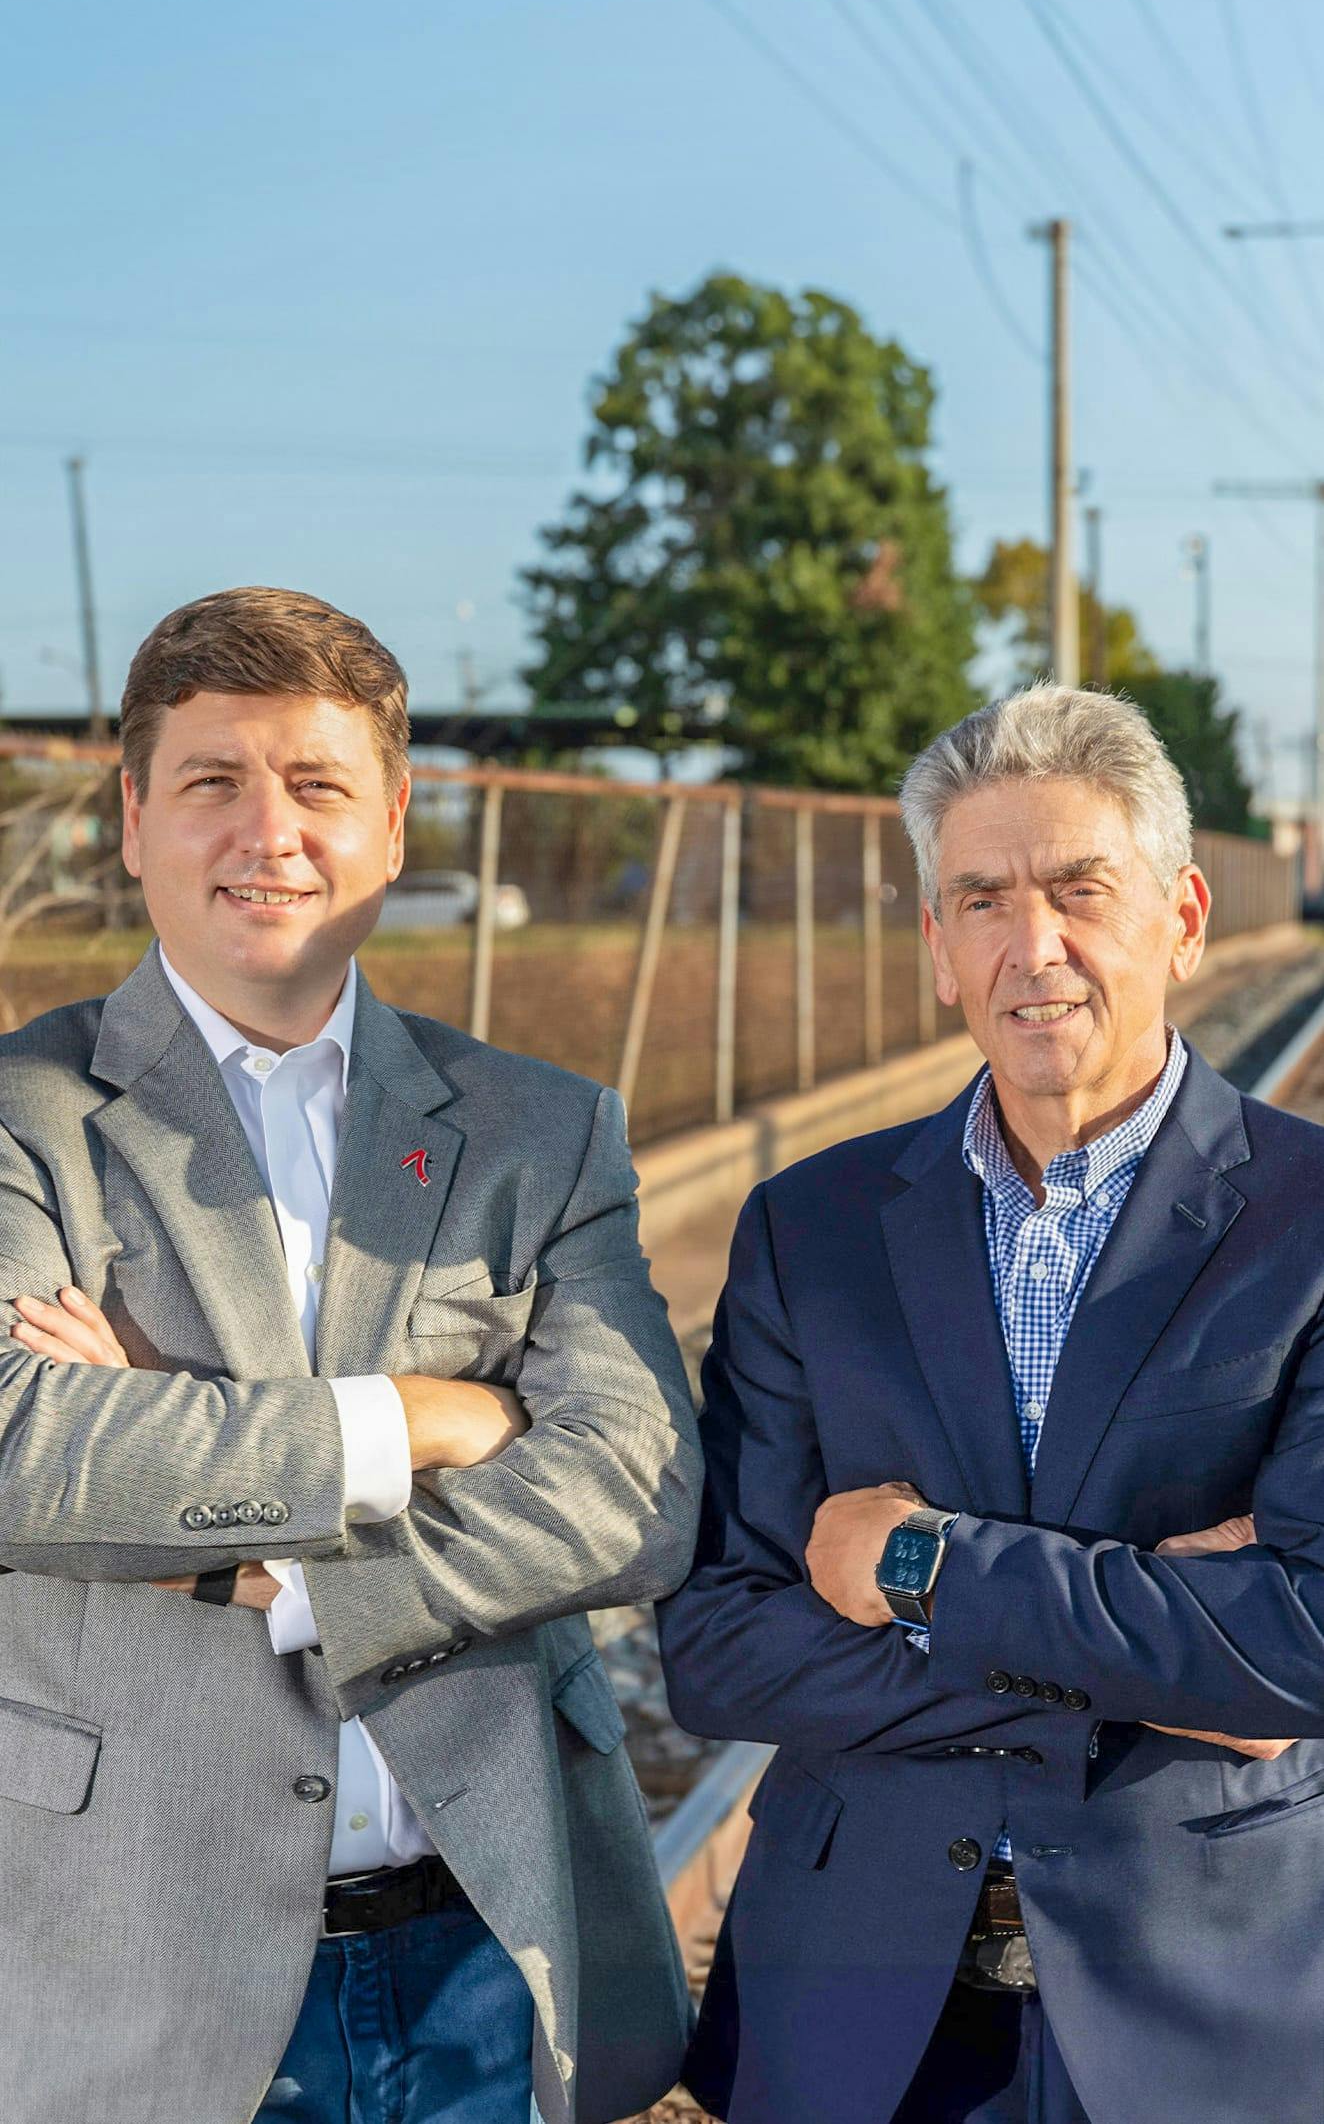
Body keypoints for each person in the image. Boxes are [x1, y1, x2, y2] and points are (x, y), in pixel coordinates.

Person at [0, 587, 702, 2124]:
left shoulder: (538, 1130)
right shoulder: (26, 1117)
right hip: (135, 1966)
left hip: (485, 1958)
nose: (271, 831)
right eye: (214, 780)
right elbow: (18, 1451)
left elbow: (641, 1490)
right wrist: (424, 1418)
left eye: (318, 784)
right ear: (132, 820)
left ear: (391, 825)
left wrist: (288, 1569)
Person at [658, 682, 1324, 2124]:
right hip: (858, 2004)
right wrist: (1163, 1657)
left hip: (1211, 2005)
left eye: (1081, 889)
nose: (1035, 946)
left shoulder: (1312, 1218)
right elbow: (716, 1648)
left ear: (1184, 917)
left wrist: (919, 1567)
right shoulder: (811, 1226)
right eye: (983, 900)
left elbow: (1302, 1643)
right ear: (938, 949)